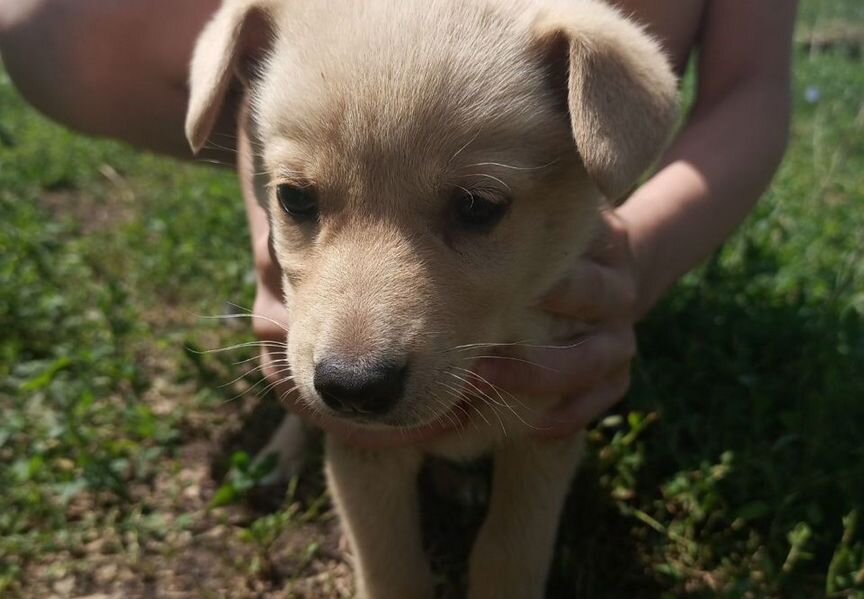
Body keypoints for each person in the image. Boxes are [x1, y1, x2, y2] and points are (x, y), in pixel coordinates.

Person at [0, 0, 798, 448]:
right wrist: (278, 239)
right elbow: (305, 60)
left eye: (474, 208)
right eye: (303, 201)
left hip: (585, 87)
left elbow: (749, 84)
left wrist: (641, 255)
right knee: (41, 21)